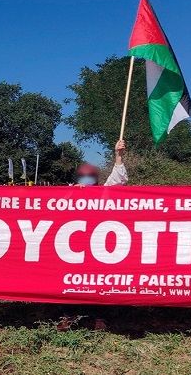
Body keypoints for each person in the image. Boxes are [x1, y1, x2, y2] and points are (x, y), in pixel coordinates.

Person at [59, 140, 127, 332]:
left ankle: (100, 318)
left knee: (99, 282)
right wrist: (73, 193)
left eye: (90, 176)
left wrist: (118, 155)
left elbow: (119, 181)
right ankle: (68, 316)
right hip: (74, 248)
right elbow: (54, 206)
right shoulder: (71, 193)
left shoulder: (104, 193)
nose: (87, 180)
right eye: (84, 176)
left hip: (99, 247)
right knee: (68, 281)